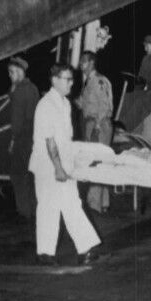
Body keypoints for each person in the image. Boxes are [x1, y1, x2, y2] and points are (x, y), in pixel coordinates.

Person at [30, 62, 103, 266]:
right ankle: (45, 253)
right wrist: (58, 168)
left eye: (72, 79)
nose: (71, 83)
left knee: (71, 202)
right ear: (55, 80)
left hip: (63, 163)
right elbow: (49, 140)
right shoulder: (46, 105)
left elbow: (65, 140)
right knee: (48, 207)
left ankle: (85, 248)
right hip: (48, 165)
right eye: (67, 79)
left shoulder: (64, 104)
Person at [76, 50, 115, 212]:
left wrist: (97, 127)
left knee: (95, 163)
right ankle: (103, 203)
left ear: (91, 63)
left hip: (99, 125)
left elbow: (105, 106)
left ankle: (94, 205)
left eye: (83, 61)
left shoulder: (99, 81)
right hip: (92, 123)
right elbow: (90, 103)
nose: (80, 64)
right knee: (101, 163)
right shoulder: (88, 82)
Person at [6, 57, 40, 222]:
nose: (10, 76)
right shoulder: (33, 88)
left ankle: (23, 210)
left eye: (12, 72)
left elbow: (16, 121)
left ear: (19, 72)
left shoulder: (19, 91)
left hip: (22, 137)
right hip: (34, 135)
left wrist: (13, 139)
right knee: (31, 174)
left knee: (17, 174)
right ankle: (33, 208)